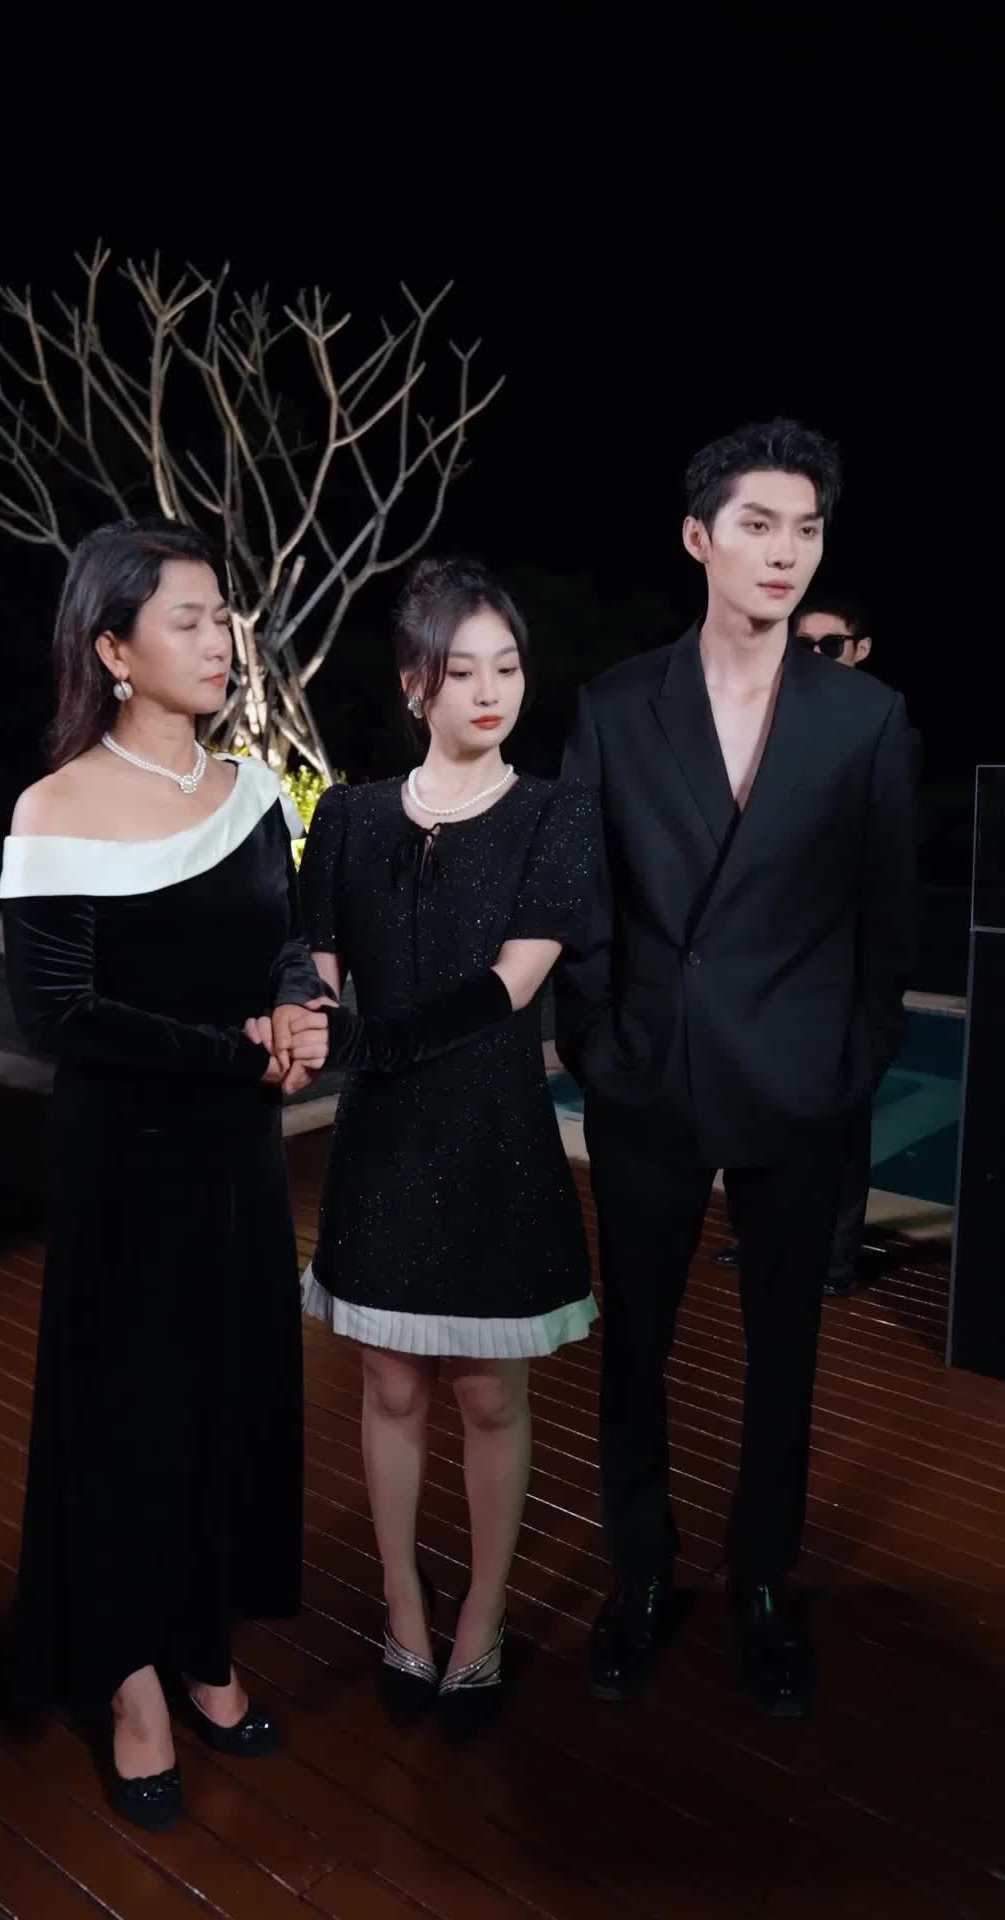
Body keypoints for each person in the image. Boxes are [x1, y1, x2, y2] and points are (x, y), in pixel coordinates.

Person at [555, 421, 917, 1716]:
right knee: (635, 1343)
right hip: (649, 1074)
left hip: (800, 1078)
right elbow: (584, 898)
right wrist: (598, 1044)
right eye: (758, 525)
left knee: (785, 1349)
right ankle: (641, 1573)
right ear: (698, 537)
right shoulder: (614, 706)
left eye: (806, 528)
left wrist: (853, 1057)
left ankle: (763, 1579)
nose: (785, 551)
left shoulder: (867, 718)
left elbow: (887, 919)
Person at [0, 518, 327, 1831]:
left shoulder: (251, 790)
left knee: (227, 1398)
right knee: (129, 1412)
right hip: (124, 1167)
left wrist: (298, 1009)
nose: (219, 639)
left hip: (237, 1162)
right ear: (114, 650)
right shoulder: (55, 808)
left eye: (221, 614)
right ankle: (125, 1673)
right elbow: (59, 1016)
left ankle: (202, 1644)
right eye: (187, 619)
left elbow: (287, 943)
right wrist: (235, 1053)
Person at [274, 556, 598, 1740]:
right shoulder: (349, 817)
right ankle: (405, 1610)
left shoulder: (555, 812)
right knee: (389, 1383)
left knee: (490, 1395)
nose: (492, 691)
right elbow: (313, 957)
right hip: (383, 1144)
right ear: (415, 682)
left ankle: (484, 1620)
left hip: (495, 1137)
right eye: (464, 671)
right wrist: (302, 1012)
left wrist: (358, 1039)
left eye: (507, 667)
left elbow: (512, 985)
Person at [715, 588, 878, 1295]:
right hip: (763, 955)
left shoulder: (881, 725)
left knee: (840, 1118)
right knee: (752, 1103)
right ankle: (753, 1235)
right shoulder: (764, 720)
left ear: (860, 650)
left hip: (837, 961)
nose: (813, 656)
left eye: (829, 646)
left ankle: (836, 1258)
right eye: (801, 644)